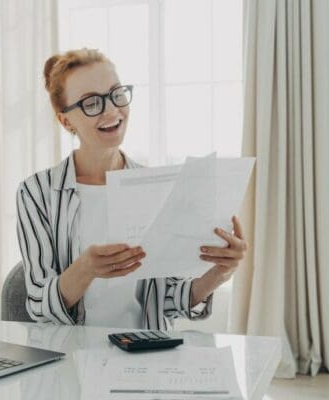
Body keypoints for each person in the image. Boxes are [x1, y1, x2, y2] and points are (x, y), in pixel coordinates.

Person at [16, 48, 247, 330]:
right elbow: (40, 306)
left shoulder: (156, 186)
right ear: (66, 120)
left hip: (146, 355)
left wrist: (220, 274)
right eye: (91, 103)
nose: (112, 110)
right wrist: (86, 268)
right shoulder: (37, 193)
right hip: (71, 360)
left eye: (117, 94)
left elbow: (169, 299)